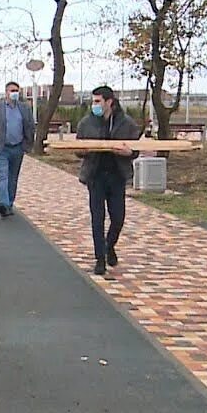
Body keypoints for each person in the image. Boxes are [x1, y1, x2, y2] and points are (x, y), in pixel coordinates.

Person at [77, 86, 140, 275]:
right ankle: (100, 259)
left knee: (118, 218)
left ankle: (109, 245)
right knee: (97, 218)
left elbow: (135, 148)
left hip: (116, 175)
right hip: (95, 175)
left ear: (109, 102)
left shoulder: (126, 123)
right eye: (93, 101)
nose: (94, 105)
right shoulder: (86, 123)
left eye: (97, 101)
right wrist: (85, 150)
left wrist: (129, 153)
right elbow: (78, 148)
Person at [0, 82, 35, 217]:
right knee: (3, 176)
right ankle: (3, 204)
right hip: (1, 148)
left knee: (13, 178)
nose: (15, 93)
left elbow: (30, 126)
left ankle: (10, 203)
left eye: (17, 91)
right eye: (12, 90)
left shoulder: (24, 108)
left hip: (18, 148)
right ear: (6, 92)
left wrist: (28, 144)